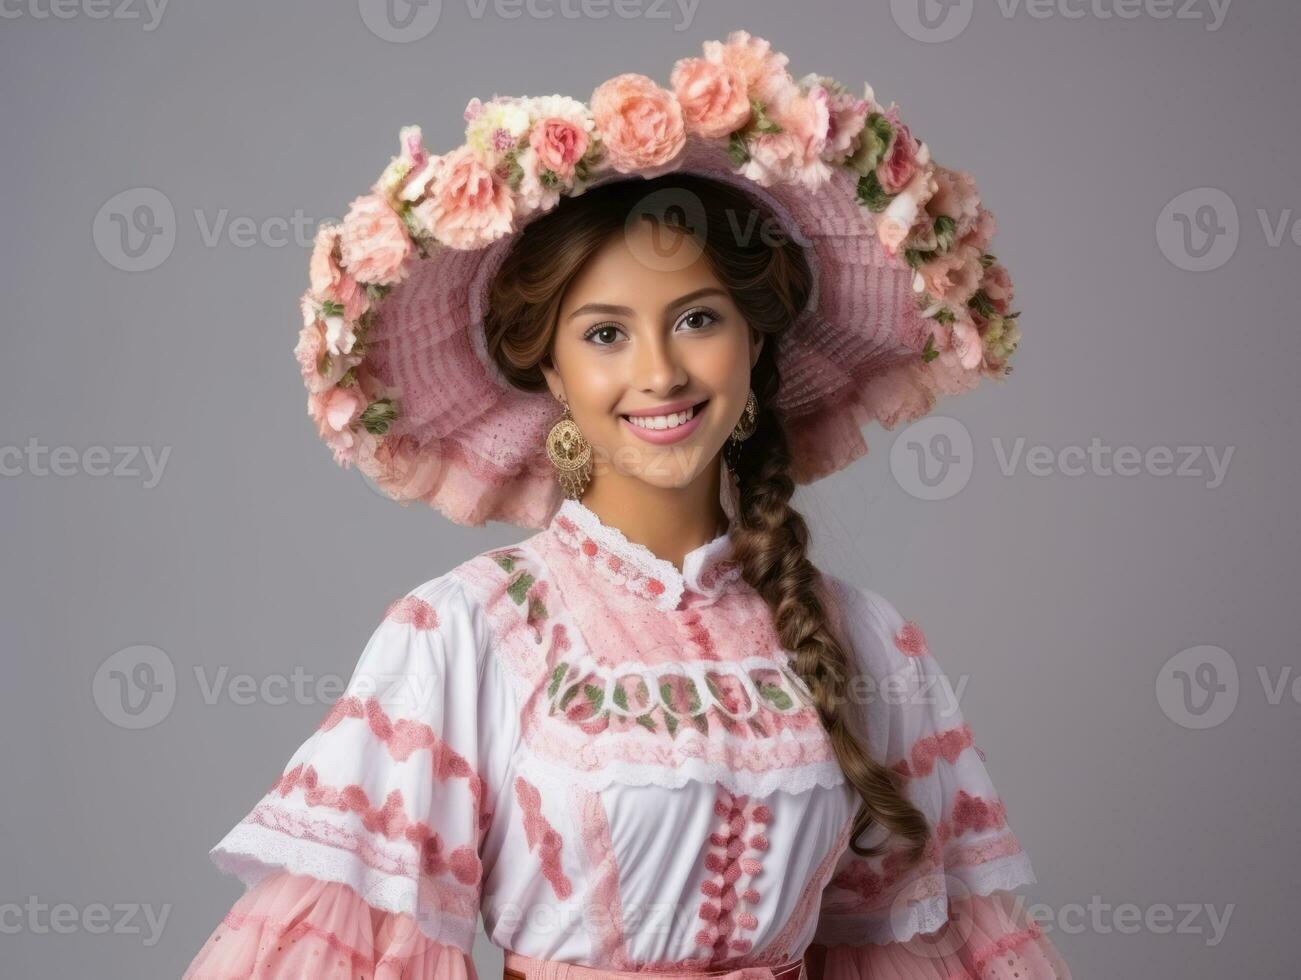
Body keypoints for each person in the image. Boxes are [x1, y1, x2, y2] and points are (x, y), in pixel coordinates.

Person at [185, 30, 1068, 980]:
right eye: (605, 333)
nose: (658, 372)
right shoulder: (465, 634)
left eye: (696, 319)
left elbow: (903, 950)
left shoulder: (863, 640)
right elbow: (362, 948)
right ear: (552, 373)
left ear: (753, 346)